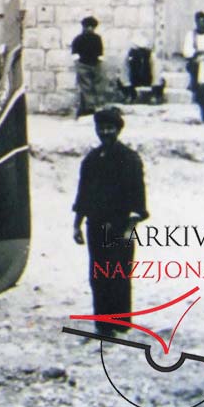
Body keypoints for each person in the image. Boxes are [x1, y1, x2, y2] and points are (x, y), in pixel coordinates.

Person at [72, 108, 148, 336]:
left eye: (110, 128)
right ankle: (103, 324)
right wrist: (77, 224)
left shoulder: (130, 159)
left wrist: (131, 225)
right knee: (98, 274)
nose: (105, 132)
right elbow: (82, 194)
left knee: (120, 273)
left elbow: (138, 195)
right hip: (96, 225)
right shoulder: (91, 160)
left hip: (121, 225)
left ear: (118, 129)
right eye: (101, 128)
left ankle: (121, 322)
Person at [181, 12, 204, 122]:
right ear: (196, 22)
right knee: (197, 67)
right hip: (195, 61)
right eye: (199, 21)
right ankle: (198, 89)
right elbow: (187, 51)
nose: (202, 24)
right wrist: (197, 53)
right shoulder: (190, 35)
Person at [70, 16, 106, 117]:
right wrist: (79, 63)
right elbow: (74, 52)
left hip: (94, 64)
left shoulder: (96, 38)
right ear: (84, 27)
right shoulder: (80, 38)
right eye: (88, 26)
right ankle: (91, 107)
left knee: (95, 86)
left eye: (92, 27)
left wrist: (99, 62)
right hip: (85, 65)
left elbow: (101, 51)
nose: (90, 28)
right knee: (87, 86)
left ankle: (96, 106)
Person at [121, 35, 165, 105]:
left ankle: (155, 97)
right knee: (120, 81)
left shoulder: (151, 56)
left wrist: (155, 86)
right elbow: (124, 71)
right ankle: (130, 96)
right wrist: (128, 85)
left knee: (162, 81)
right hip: (135, 79)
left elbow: (156, 73)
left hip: (147, 79)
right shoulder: (129, 56)